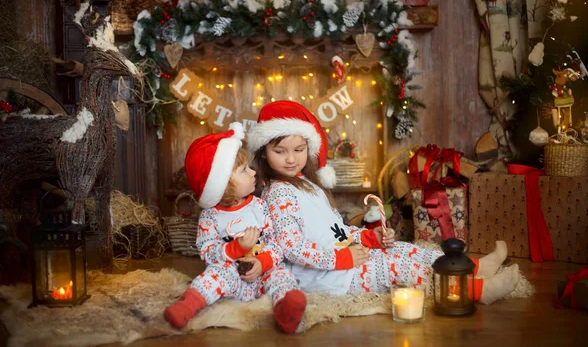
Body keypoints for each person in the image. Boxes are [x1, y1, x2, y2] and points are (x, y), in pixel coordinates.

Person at [247, 101, 519, 303]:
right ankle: (476, 292)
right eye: (280, 151)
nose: (291, 159)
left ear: (309, 149)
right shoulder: (279, 193)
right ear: (264, 151)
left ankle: (475, 267)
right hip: (328, 276)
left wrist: (367, 237)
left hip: (344, 257)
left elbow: (334, 230)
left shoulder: (307, 185)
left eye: (299, 150)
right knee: (401, 267)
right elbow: (291, 248)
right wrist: (342, 258)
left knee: (407, 250)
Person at [164, 122, 306, 333]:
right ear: (223, 184)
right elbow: (207, 251)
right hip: (231, 278)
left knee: (281, 275)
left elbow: (275, 242)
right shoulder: (211, 217)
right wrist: (235, 249)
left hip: (261, 273)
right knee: (214, 274)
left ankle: (286, 310)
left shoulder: (259, 206)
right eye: (243, 170)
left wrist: (262, 262)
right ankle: (187, 306)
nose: (252, 172)